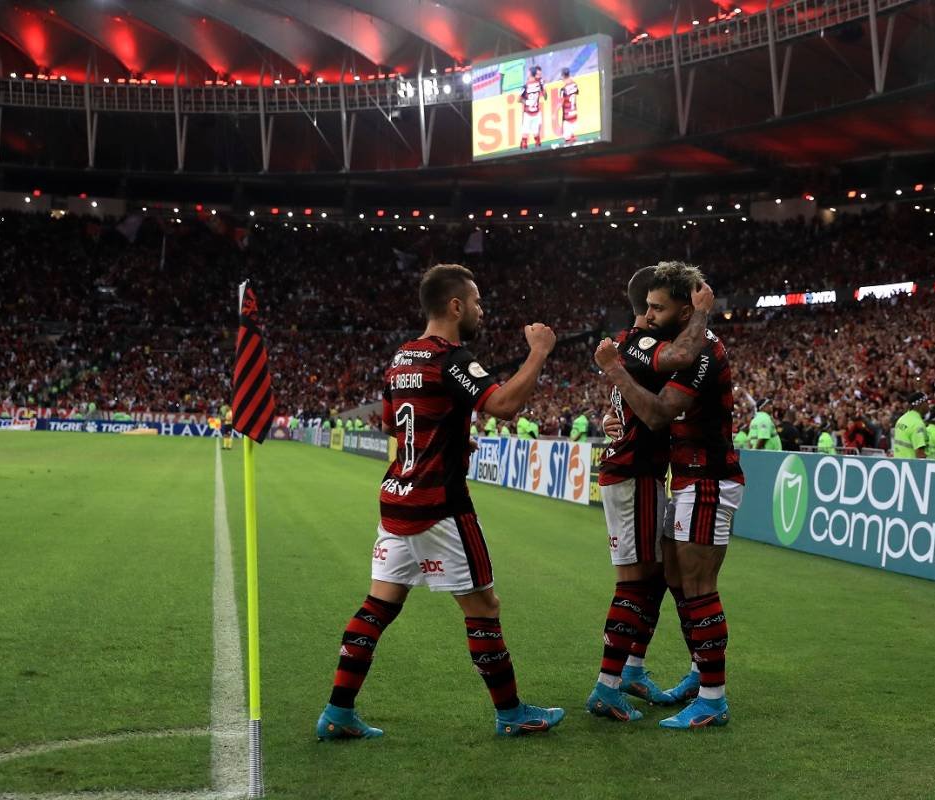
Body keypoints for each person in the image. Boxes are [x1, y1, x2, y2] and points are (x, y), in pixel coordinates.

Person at [315, 264, 565, 741]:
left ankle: (337, 712)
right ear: (455, 306)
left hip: (398, 498)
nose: (480, 310)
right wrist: (538, 354)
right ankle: (511, 713)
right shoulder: (452, 357)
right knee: (484, 606)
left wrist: (448, 441)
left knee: (377, 607)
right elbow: (504, 406)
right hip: (439, 506)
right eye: (475, 302)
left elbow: (394, 425)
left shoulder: (401, 358)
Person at [595, 261, 742, 730]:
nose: (649, 314)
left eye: (659, 307)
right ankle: (701, 678)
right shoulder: (678, 344)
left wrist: (615, 371)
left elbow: (660, 413)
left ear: (686, 308)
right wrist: (615, 416)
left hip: (710, 480)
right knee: (680, 585)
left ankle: (714, 700)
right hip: (687, 481)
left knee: (698, 588)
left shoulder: (700, 351)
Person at [892, 392, 930, 459]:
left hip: (898, 464)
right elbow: (920, 455)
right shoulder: (917, 424)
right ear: (920, 404)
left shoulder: (901, 419)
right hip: (911, 466)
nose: (928, 405)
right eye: (927, 402)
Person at [518, 65, 545, 149]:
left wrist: (526, 101)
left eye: (528, 72)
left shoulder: (525, 86)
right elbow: (545, 95)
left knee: (525, 132)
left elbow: (518, 99)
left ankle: (524, 145)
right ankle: (538, 143)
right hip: (536, 111)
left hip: (528, 112)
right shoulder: (539, 84)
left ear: (530, 74)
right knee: (536, 132)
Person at [559, 68, 579, 144]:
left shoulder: (563, 90)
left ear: (563, 76)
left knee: (567, 140)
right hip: (574, 113)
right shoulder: (574, 85)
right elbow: (576, 93)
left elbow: (561, 102)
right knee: (573, 137)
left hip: (567, 117)